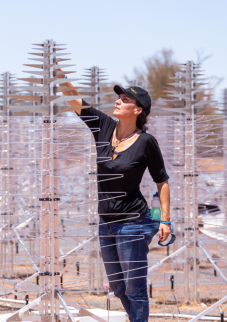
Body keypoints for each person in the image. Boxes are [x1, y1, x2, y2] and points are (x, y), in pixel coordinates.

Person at [59, 78, 171, 322]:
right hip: (106, 224)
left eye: (126, 99)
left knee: (135, 289)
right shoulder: (103, 126)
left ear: (138, 110)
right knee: (118, 288)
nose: (118, 101)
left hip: (133, 222)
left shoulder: (146, 142)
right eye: (119, 98)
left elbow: (161, 182)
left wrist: (165, 220)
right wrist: (58, 75)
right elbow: (77, 103)